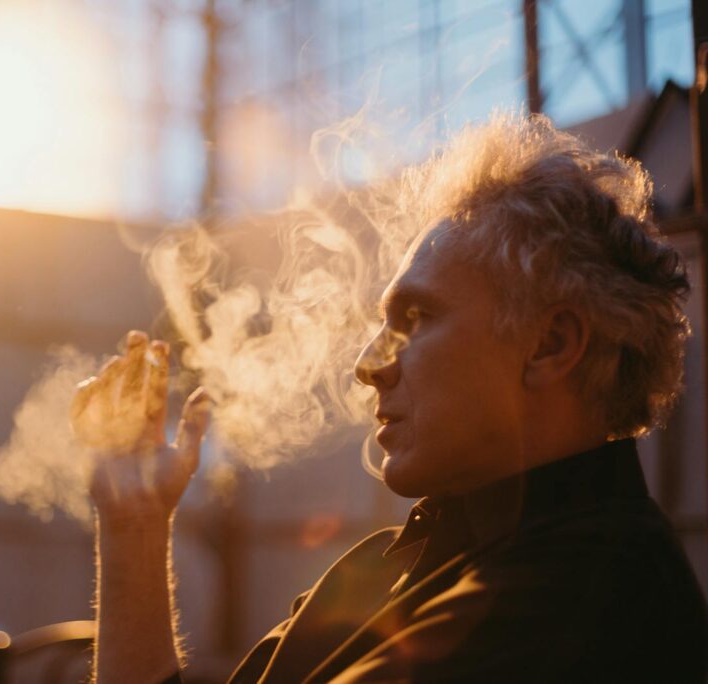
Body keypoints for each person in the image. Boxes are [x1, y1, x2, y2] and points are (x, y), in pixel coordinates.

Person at [74, 114, 708, 682]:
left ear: (551, 344)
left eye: (416, 316)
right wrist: (133, 523)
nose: (367, 365)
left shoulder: (592, 595)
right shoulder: (377, 567)